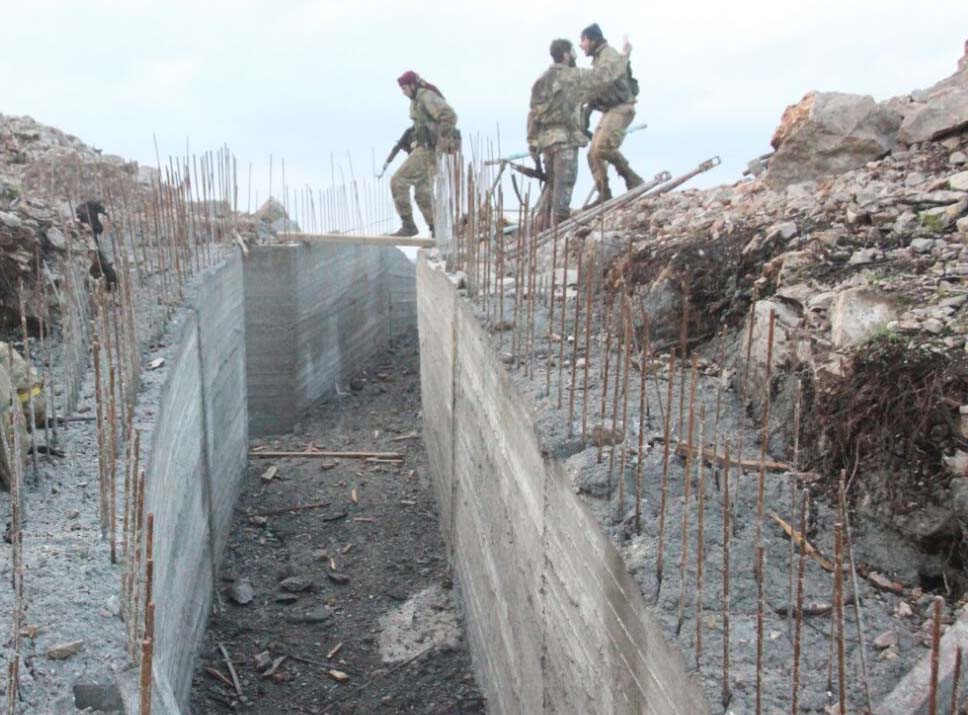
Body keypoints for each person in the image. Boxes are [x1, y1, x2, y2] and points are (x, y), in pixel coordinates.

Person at [527, 38, 632, 229]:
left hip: (546, 143)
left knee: (551, 185)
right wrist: (624, 56)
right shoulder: (575, 76)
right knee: (563, 187)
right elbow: (604, 76)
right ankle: (557, 233)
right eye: (573, 52)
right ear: (566, 55)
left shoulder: (541, 80)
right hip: (565, 141)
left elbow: (533, 114)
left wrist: (532, 143)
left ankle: (541, 229)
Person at [389, 71, 459, 237]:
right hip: (428, 148)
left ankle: (408, 225)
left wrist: (439, 139)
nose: (403, 92)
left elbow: (449, 115)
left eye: (405, 88)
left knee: (398, 180)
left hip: (429, 149)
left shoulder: (426, 96)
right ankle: (437, 230)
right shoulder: (418, 100)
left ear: (413, 85)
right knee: (423, 192)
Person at [580, 23, 644, 204]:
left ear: (592, 40)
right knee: (593, 153)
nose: (582, 45)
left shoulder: (607, 56)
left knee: (603, 147)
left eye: (583, 40)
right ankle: (604, 193)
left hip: (622, 107)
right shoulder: (601, 57)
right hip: (611, 109)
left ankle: (632, 179)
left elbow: (603, 82)